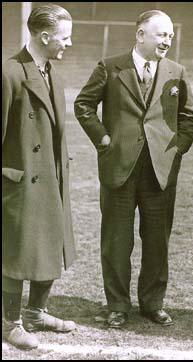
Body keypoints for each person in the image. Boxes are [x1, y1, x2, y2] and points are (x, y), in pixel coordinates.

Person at [74, 10, 193, 329]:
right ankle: (117, 304)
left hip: (160, 171)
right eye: (161, 35)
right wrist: (103, 139)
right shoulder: (110, 66)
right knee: (117, 241)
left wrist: (177, 149)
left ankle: (152, 303)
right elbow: (84, 105)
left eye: (170, 35)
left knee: (158, 240)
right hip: (119, 168)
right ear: (141, 35)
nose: (167, 41)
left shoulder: (177, 72)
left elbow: (189, 117)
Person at [2, 4, 76, 350]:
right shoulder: (10, 73)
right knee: (16, 252)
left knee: (49, 242)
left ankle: (36, 312)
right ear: (45, 37)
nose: (70, 43)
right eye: (65, 37)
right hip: (20, 181)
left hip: (50, 174)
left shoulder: (49, 70)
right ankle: (10, 323)